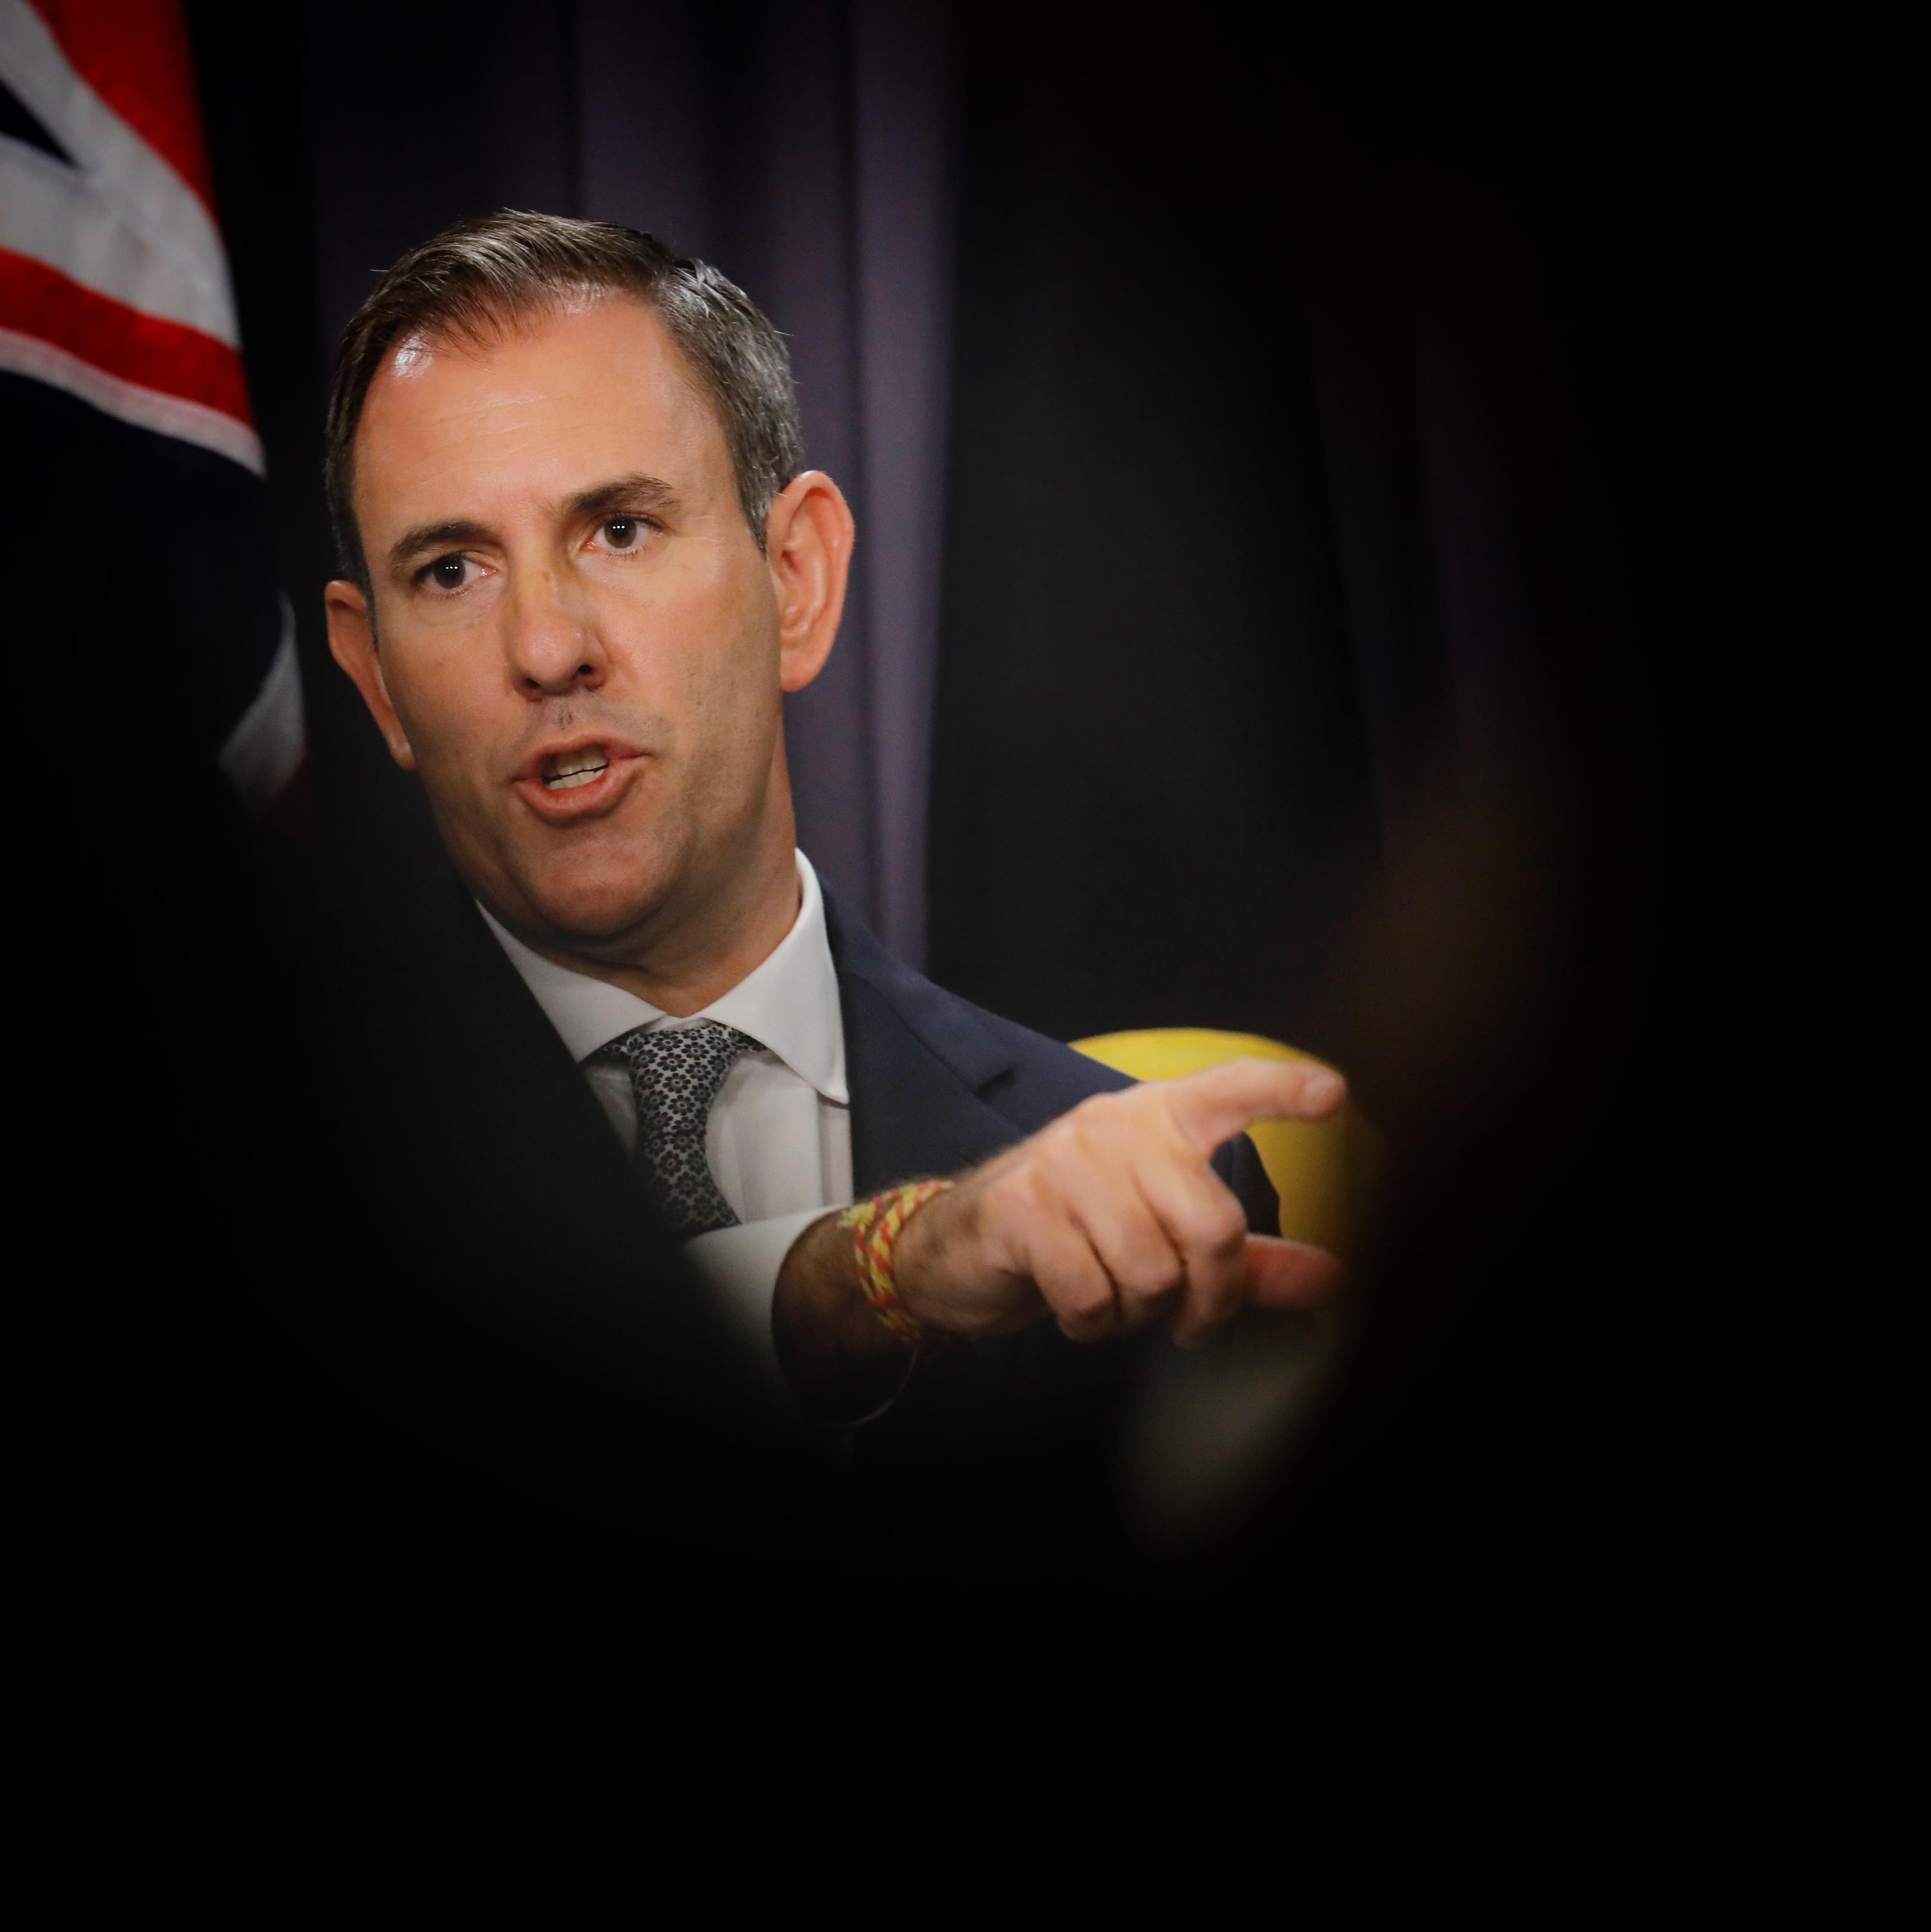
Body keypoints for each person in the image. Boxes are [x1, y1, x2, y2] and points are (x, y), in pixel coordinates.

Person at [305, 212, 1350, 1519]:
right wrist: (888, 1271)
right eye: (452, 569)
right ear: (375, 679)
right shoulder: (284, 1180)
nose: (545, 645)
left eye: (618, 530)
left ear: (794, 576)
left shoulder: (1153, 1193)